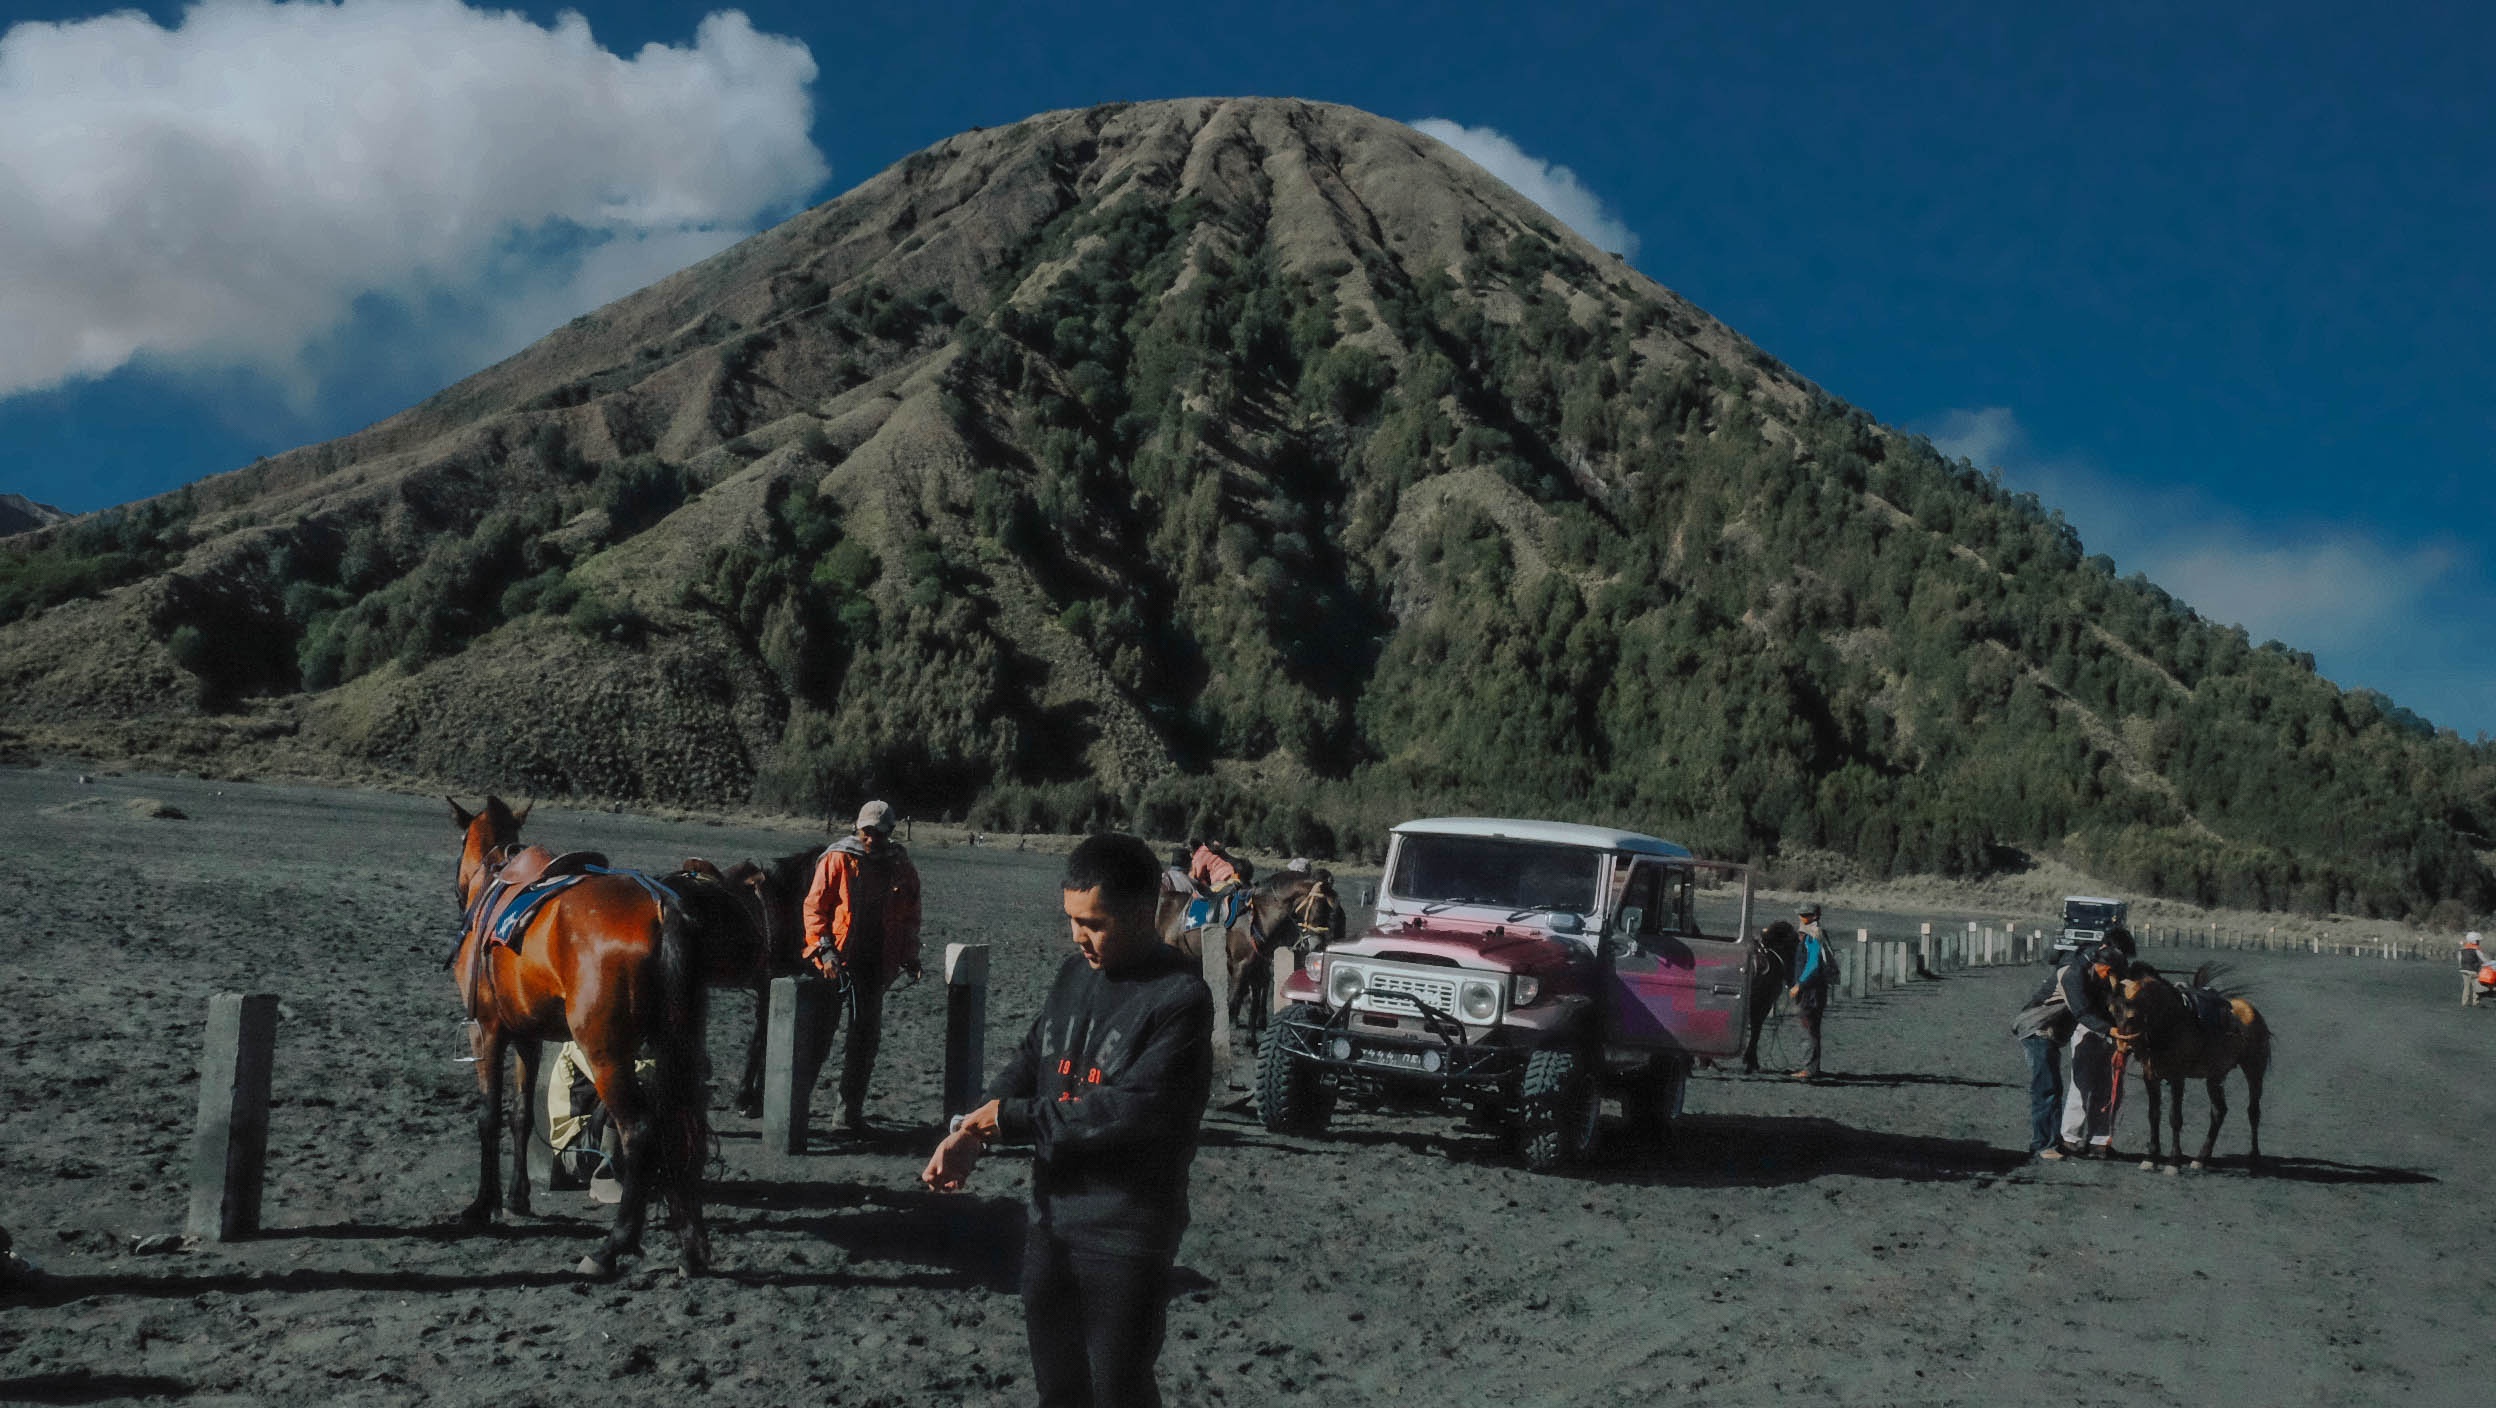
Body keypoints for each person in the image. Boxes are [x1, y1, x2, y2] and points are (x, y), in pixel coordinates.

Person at [921, 833, 1214, 1408]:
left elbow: (1128, 1111)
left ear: (1140, 911)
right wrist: (971, 1133)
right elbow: (1034, 1058)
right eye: (1072, 919)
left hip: (1127, 1233)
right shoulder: (1071, 974)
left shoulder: (1181, 998)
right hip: (1050, 1223)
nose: (1079, 935)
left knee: (1117, 1390)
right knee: (1058, 1390)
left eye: (1094, 922)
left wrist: (1011, 1121)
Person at [802, 799, 924, 1131]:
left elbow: (910, 915)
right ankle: (795, 1111)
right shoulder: (838, 858)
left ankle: (847, 1116)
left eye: (879, 834)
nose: (872, 839)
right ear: (857, 828)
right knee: (818, 1039)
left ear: (890, 833)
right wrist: (823, 952)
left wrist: (909, 954)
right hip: (836, 964)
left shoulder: (900, 866)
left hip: (875, 966)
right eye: (867, 832)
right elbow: (815, 909)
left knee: (865, 1041)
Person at [2055, 940, 2127, 1156]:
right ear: (2102, 966)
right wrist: (2110, 1031)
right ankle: (2070, 1138)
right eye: (2109, 972)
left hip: (2109, 1033)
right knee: (2081, 1084)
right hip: (2088, 1029)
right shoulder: (2077, 977)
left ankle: (2099, 1140)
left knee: (2109, 1087)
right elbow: (2082, 1012)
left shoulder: (2112, 977)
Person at [2011, 963, 2076, 1160]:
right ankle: (2044, 1145)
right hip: (2039, 1033)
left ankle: (2048, 1141)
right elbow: (2083, 1009)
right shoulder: (2073, 979)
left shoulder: (2069, 973)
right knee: (2047, 1089)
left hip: (2040, 1033)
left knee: (2050, 1088)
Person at [1788, 903, 1833, 1080]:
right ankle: (1813, 1067)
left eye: (1805, 915)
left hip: (1810, 992)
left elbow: (1813, 964)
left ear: (1814, 916)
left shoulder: (1813, 935)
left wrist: (1800, 985)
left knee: (1808, 1029)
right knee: (1812, 1029)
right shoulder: (1812, 933)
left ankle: (1809, 1070)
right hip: (1815, 990)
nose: (1801, 918)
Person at [2462, 932, 2488, 1007]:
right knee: (2476, 986)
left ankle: (2465, 1002)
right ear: (2474, 941)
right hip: (2473, 971)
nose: (2479, 942)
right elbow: (2483, 959)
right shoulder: (2476, 949)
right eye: (2477, 941)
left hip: (2464, 970)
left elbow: (2460, 959)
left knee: (2466, 987)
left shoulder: (2463, 949)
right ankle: (2475, 1002)